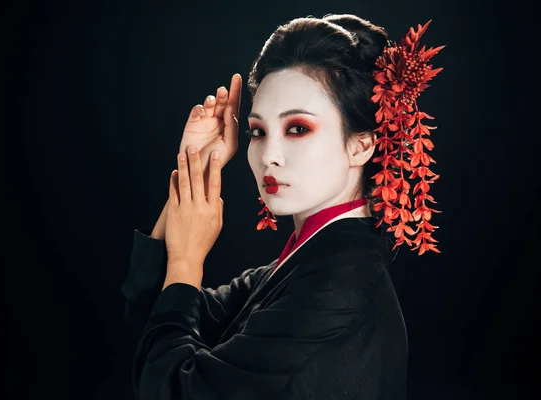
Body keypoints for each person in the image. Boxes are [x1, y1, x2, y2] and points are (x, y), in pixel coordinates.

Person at [121, 13, 443, 399]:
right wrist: (196, 167)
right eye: (258, 131)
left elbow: (172, 388)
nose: (268, 155)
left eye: (297, 128)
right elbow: (157, 320)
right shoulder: (304, 266)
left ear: (361, 145)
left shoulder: (339, 285)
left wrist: (188, 260)